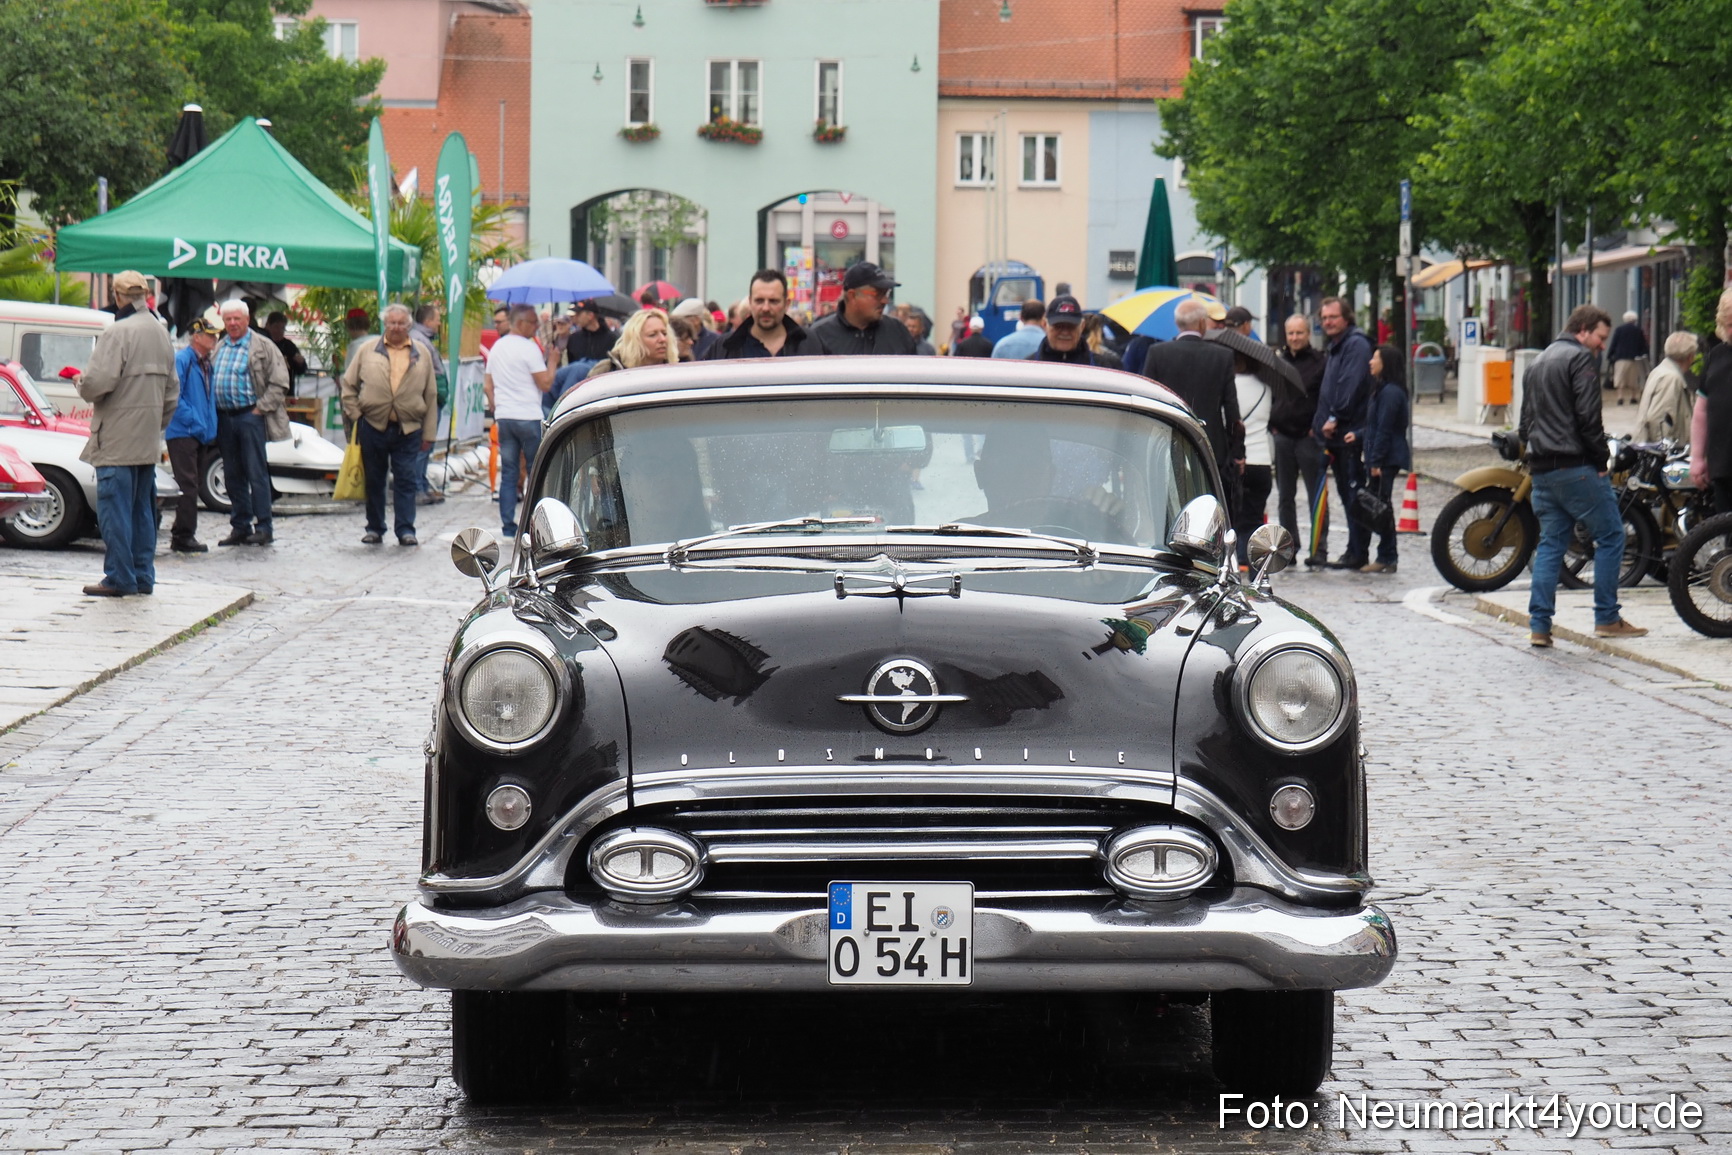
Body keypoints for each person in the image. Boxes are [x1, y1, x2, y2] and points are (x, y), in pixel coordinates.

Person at [1521, 304, 1646, 645]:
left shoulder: (1537, 362)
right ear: (1584, 330)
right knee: (1611, 536)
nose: (1602, 346)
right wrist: (1601, 461)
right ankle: (1607, 617)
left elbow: (1524, 424)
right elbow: (1589, 418)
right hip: (1575, 466)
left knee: (1550, 544)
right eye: (1601, 338)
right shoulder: (1579, 360)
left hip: (1542, 470)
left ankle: (1540, 626)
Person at [73, 270, 177, 596]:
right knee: (142, 511)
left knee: (114, 511)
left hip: (117, 438)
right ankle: (143, 577)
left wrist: (79, 381)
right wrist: (153, 425)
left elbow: (96, 384)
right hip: (146, 441)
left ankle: (119, 577)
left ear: (118, 296)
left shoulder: (118, 332)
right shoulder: (161, 333)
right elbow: (172, 392)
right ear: (145, 295)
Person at [341, 303, 440, 547]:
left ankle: (406, 529)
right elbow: (348, 386)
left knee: (406, 479)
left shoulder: (421, 353)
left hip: (408, 428)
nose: (395, 327)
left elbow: (431, 395)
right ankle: (374, 528)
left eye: (400, 323)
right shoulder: (367, 350)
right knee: (374, 479)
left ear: (408, 326)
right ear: (385, 325)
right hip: (373, 426)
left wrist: (429, 433)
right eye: (391, 323)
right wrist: (357, 416)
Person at [211, 299, 289, 546]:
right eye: (228, 319)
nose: (232, 323)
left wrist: (260, 409)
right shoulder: (220, 346)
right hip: (225, 417)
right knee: (232, 474)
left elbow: (280, 382)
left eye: (237, 319)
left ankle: (264, 526)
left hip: (249, 416)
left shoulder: (262, 346)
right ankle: (240, 526)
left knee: (256, 473)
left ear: (247, 320)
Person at [1142, 298, 1243, 486]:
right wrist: (1238, 453)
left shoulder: (1157, 353)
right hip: (1210, 445)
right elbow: (1232, 410)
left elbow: (1147, 400)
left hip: (1168, 442)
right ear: (1203, 323)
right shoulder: (1222, 356)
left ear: (1177, 324)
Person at [484, 304, 558, 539]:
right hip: (528, 416)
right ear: (520, 322)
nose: (537, 326)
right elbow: (545, 384)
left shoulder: (497, 347)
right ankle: (533, 522)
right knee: (537, 471)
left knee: (509, 472)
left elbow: (488, 385)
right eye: (533, 322)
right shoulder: (529, 348)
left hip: (505, 417)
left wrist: (498, 407)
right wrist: (553, 361)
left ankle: (508, 524)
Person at [1313, 296, 1374, 569]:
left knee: (1354, 494)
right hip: (1336, 435)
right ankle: (1354, 549)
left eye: (1333, 317)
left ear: (1346, 317)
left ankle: (1359, 552)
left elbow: (1350, 385)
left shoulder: (1355, 344)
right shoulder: (1337, 346)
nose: (1328, 322)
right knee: (1347, 495)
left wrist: (1335, 416)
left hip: (1348, 432)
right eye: (1324, 318)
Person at [1348, 343, 1411, 574]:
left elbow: (1385, 430)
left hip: (1386, 459)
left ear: (1386, 363)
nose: (1370, 362)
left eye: (1375, 358)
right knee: (1381, 507)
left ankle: (1387, 555)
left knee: (1382, 508)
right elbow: (1374, 427)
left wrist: (1375, 462)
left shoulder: (1391, 392)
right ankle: (1386, 554)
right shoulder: (1381, 390)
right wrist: (1357, 435)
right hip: (1380, 457)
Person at [164, 308, 221, 555]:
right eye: (210, 335)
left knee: (192, 484)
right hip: (183, 432)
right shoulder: (183, 360)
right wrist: (198, 422)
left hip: (197, 432)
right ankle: (184, 536)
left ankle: (182, 533)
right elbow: (174, 396)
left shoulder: (205, 363)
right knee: (188, 485)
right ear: (196, 336)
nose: (214, 340)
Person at [1273, 314, 1327, 561]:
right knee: (1285, 497)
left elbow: (1325, 397)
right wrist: (1272, 424)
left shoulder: (1320, 362)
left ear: (1308, 334)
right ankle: (1289, 548)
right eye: (1291, 333)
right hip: (1282, 436)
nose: (1295, 338)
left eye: (1299, 333)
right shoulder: (1278, 362)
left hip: (1308, 437)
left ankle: (1320, 548)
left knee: (1316, 495)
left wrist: (1317, 425)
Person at [806, 262, 918, 355]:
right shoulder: (819, 335)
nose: (885, 300)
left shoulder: (897, 332)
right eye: (877, 294)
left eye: (886, 294)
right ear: (852, 295)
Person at [1229, 352, 1273, 567]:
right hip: (1262, 459)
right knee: (1255, 518)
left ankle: (1239, 558)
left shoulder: (1229, 386)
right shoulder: (1266, 388)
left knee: (1235, 516)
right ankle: (1255, 561)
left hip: (1239, 460)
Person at [706, 269, 811, 359]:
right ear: (750, 302)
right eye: (759, 301)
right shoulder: (724, 348)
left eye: (773, 301)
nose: (765, 308)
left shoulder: (809, 343)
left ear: (786, 304)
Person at [1691, 289, 1732, 512]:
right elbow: (1701, 410)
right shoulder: (1716, 356)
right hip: (1723, 466)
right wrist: (1697, 457)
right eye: (1730, 325)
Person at [410, 304, 450, 505]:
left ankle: (422, 486)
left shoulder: (422, 339)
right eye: (436, 319)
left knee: (427, 444)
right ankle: (417, 489)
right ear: (427, 321)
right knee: (423, 444)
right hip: (427, 400)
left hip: (432, 398)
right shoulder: (419, 340)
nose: (439, 323)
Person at [1633, 330, 1698, 444]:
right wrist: (1665, 449)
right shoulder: (1671, 378)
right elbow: (1659, 420)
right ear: (1690, 357)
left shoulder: (1660, 371)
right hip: (1665, 453)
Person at [586, 308, 675, 377]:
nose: (662, 339)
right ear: (635, 340)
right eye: (652, 335)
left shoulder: (676, 372)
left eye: (664, 333)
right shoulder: (606, 370)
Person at [1032, 296, 1092, 364]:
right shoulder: (1028, 367)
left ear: (1082, 326)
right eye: (1058, 326)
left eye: (1071, 326)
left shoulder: (1101, 367)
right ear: (1044, 325)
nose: (1065, 332)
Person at [1608, 310, 1649, 405]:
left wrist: (1610, 354)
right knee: (1633, 378)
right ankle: (1633, 397)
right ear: (1635, 319)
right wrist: (1644, 354)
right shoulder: (1638, 330)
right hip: (1634, 357)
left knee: (1619, 377)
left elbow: (1614, 342)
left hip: (1620, 356)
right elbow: (1642, 344)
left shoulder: (1619, 329)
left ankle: (1620, 397)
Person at [262, 312, 306, 395]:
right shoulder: (261, 343)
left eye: (282, 328)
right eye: (276, 327)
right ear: (268, 326)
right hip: (264, 391)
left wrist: (300, 363)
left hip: (285, 392)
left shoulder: (289, 346)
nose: (279, 331)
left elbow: (301, 370)